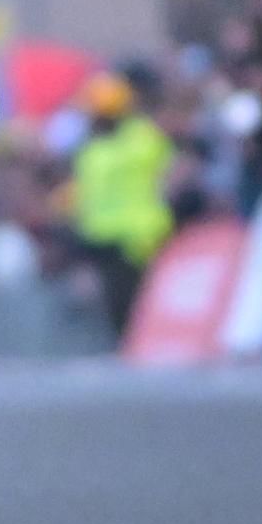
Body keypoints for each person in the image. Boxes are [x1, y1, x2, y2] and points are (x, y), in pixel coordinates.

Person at [69, 73, 175, 338]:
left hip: (139, 239)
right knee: (118, 306)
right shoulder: (95, 148)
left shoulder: (141, 138)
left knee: (136, 303)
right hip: (104, 240)